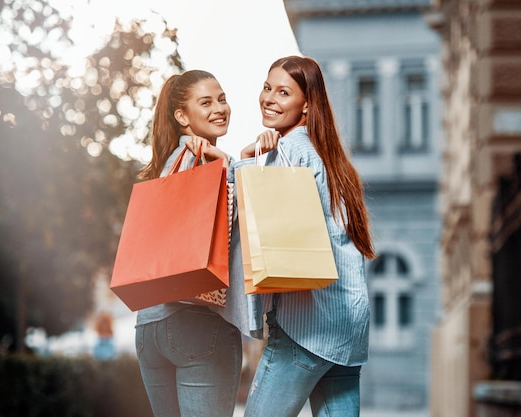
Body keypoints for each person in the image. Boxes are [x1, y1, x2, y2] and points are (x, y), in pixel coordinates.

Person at [238, 56, 377, 417]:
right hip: (348, 328)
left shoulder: (290, 151)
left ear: (306, 106)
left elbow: (252, 222)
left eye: (283, 92)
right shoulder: (333, 160)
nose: (269, 98)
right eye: (267, 87)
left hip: (306, 327)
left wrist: (247, 160)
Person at [134, 69, 257, 417]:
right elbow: (247, 223)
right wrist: (234, 165)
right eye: (206, 102)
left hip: (149, 327)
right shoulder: (204, 161)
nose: (220, 108)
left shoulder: (167, 164)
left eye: (222, 98)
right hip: (198, 323)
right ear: (182, 116)